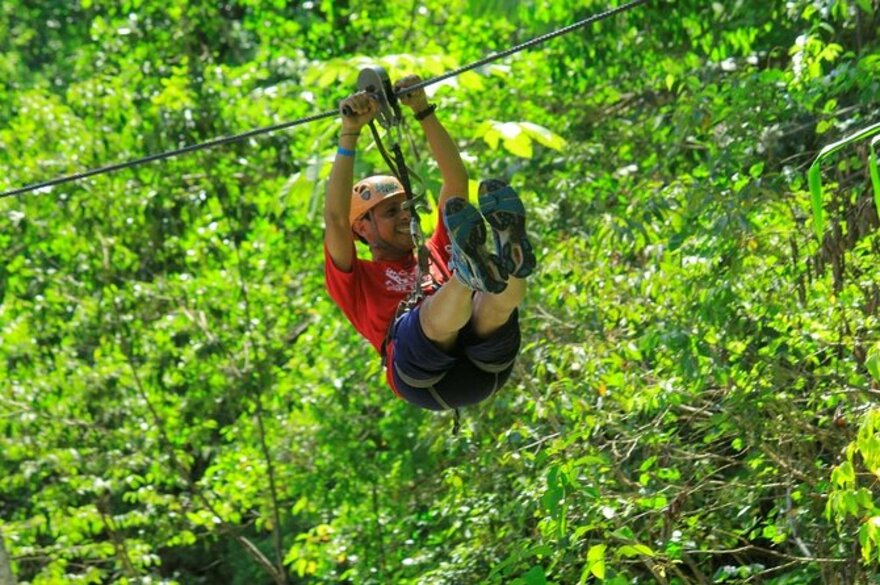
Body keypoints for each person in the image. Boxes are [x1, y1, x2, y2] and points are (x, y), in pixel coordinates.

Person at [323, 74, 536, 412]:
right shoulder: (355, 281)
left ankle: (508, 261)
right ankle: (468, 277)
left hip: (486, 364)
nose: (407, 216)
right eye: (392, 212)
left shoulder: (436, 247)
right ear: (362, 227)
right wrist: (349, 133)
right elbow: (335, 219)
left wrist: (423, 110)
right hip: (422, 376)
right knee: (430, 316)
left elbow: (456, 179)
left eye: (408, 207)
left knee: (495, 302)